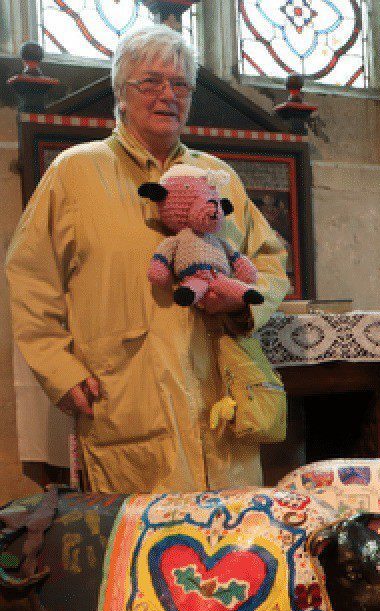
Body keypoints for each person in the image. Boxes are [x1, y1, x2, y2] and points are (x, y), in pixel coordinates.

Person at [6, 24, 290, 495]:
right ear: (121, 93)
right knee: (142, 537)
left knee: (230, 535)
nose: (168, 95)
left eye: (180, 84)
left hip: (223, 408)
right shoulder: (75, 172)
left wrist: (244, 303)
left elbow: (270, 261)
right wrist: (60, 371)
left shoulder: (219, 177)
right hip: (128, 404)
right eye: (151, 82)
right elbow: (32, 278)